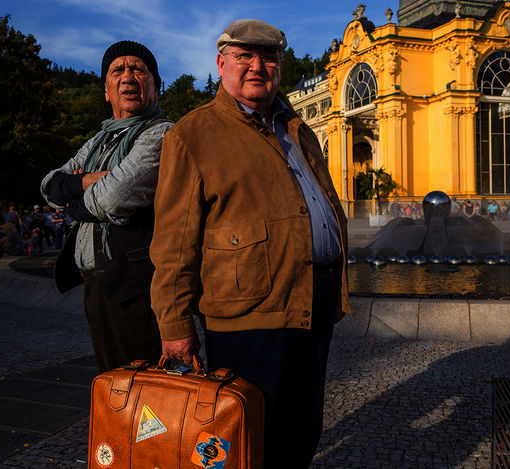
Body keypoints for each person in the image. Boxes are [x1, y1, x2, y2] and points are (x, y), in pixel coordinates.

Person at [149, 20, 351, 468]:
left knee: (302, 424)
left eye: (269, 57)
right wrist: (175, 326)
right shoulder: (192, 134)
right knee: (246, 431)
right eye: (245, 56)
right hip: (247, 314)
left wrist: (337, 286)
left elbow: (323, 204)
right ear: (222, 63)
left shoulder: (298, 127)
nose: (258, 66)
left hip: (311, 301)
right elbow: (173, 245)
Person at [41, 40, 172, 372]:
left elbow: (113, 198)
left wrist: (73, 201)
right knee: (113, 385)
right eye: (118, 70)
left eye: (138, 69)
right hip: (96, 282)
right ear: (106, 91)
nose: (127, 77)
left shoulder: (161, 134)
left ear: (155, 86)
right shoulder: (99, 140)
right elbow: (48, 186)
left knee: (146, 392)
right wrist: (86, 181)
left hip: (135, 286)